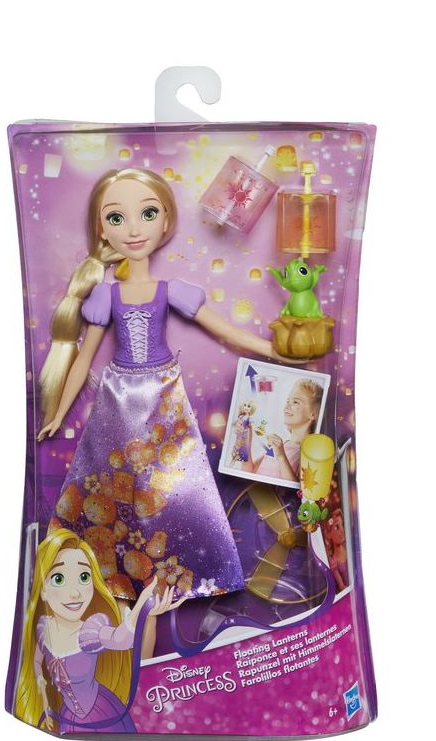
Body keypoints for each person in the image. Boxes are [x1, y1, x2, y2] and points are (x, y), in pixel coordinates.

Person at [36, 167, 287, 605]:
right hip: (119, 397)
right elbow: (82, 359)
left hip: (162, 394)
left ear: (165, 220)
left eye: (147, 214)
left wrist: (276, 351)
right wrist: (57, 412)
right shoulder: (106, 295)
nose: (134, 230)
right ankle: (112, 577)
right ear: (102, 229)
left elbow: (225, 330)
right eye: (117, 218)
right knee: (110, 486)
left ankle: (183, 572)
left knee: (179, 483)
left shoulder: (170, 291)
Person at [14, 529, 180, 734]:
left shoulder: (89, 633)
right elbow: (37, 660)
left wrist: (142, 608)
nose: (75, 593)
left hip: (102, 713)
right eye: (58, 579)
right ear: (43, 590)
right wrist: (44, 698)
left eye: (84, 577)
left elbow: (120, 639)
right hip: (68, 717)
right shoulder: (43, 627)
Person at [243, 379, 324, 482]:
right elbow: (249, 472)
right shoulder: (281, 445)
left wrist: (281, 455)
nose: (287, 406)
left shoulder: (311, 453)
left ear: (313, 414)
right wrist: (245, 440)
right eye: (287, 401)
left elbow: (296, 489)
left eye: (296, 402)